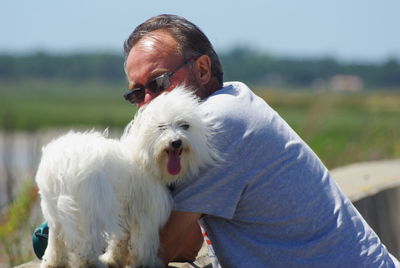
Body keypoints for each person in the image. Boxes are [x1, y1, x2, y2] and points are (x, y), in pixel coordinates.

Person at [122, 14, 400, 268]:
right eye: (136, 94)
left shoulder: (217, 122)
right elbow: (187, 247)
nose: (148, 103)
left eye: (158, 83)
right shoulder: (236, 97)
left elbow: (158, 251)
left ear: (203, 69)